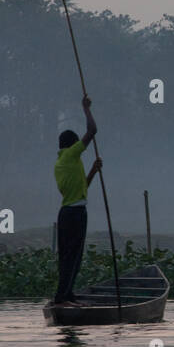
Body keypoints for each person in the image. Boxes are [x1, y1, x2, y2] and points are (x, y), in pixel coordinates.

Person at [52, 96, 102, 307]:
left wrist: (92, 171)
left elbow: (81, 190)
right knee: (73, 256)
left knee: (70, 255)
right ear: (72, 145)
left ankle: (67, 294)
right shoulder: (71, 156)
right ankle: (62, 298)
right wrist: (86, 109)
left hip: (67, 213)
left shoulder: (61, 164)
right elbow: (92, 131)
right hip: (75, 215)